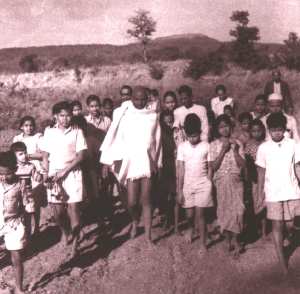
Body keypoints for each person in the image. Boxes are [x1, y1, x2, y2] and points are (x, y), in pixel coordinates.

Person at [100, 86, 161, 245]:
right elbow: (114, 137)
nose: (140, 102)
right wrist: (107, 160)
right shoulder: (123, 115)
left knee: (146, 201)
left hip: (146, 162)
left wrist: (157, 163)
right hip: (131, 162)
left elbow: (157, 141)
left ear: (147, 99)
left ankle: (148, 236)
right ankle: (135, 221)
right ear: (131, 99)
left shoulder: (152, 116)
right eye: (136, 99)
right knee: (132, 202)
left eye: (143, 99)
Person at [40, 101, 87, 258]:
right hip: (54, 176)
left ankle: (75, 246)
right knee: (58, 213)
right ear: (55, 116)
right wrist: (46, 173)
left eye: (68, 115)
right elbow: (45, 156)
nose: (66, 118)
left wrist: (66, 171)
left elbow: (81, 156)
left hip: (73, 174)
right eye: (62, 115)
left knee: (74, 208)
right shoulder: (49, 132)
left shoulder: (77, 132)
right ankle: (66, 232)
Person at [256, 112, 300, 274]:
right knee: (277, 225)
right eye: (273, 129)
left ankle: (289, 238)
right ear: (268, 130)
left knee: (291, 224)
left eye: (279, 129)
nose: (276, 132)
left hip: (292, 191)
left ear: (285, 129)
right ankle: (282, 262)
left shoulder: (293, 144)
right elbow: (261, 173)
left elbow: (297, 167)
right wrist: (260, 194)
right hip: (273, 193)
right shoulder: (263, 148)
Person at [209, 115, 245, 259]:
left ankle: (237, 240)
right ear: (217, 129)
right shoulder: (213, 145)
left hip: (236, 181)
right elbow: (213, 166)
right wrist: (223, 150)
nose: (224, 129)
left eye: (226, 126)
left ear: (231, 126)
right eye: (221, 127)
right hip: (222, 181)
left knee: (238, 210)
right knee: (224, 210)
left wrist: (235, 151)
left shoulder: (238, 143)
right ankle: (229, 240)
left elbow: (243, 165)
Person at [177, 114, 212, 253]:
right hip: (187, 185)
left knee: (200, 215)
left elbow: (210, 166)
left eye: (195, 135)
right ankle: (190, 228)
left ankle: (203, 243)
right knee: (189, 215)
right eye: (190, 135)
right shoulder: (182, 147)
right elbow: (180, 169)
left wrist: (209, 182)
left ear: (200, 132)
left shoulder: (206, 146)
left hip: (203, 184)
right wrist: (179, 190)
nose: (193, 138)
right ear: (185, 133)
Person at [0, 151, 27, 294]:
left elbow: (25, 206)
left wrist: (23, 225)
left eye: (7, 173)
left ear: (15, 169)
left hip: (14, 224)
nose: (3, 177)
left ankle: (19, 287)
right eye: (0, 173)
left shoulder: (21, 185)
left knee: (16, 257)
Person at [10, 142, 42, 238]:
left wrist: (39, 176)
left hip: (28, 196)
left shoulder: (30, 166)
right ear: (14, 156)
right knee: (16, 219)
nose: (24, 156)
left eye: (25, 153)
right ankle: (17, 239)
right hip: (15, 197)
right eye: (20, 154)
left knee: (27, 218)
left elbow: (37, 177)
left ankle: (27, 239)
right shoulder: (12, 168)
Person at [244, 119, 267, 239]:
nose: (256, 133)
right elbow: (247, 162)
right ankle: (257, 228)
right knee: (256, 202)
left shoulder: (266, 144)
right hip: (255, 177)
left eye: (259, 130)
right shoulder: (249, 144)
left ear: (263, 130)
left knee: (265, 202)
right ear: (250, 132)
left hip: (267, 176)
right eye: (254, 131)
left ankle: (264, 231)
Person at [159, 110, 177, 230]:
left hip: (176, 164)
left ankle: (175, 222)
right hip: (165, 166)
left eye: (171, 121)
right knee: (165, 194)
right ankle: (166, 217)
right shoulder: (160, 134)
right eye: (166, 122)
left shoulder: (177, 132)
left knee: (174, 193)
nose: (169, 124)